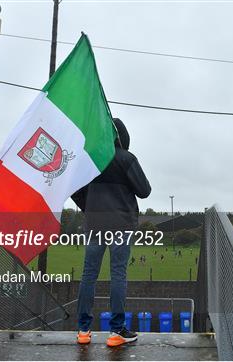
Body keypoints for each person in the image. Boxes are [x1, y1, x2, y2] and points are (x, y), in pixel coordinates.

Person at [72, 118, 151, 347]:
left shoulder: (92, 159)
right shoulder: (127, 158)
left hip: (95, 223)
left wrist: (91, 206)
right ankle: (116, 331)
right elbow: (144, 191)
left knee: (89, 275)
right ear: (123, 136)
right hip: (121, 224)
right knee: (118, 275)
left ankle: (83, 330)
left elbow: (75, 189)